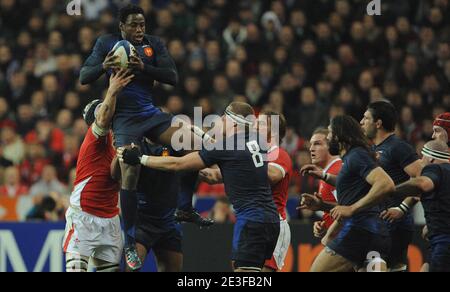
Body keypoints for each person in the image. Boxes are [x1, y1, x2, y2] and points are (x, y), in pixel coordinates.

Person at [79, 4, 207, 269]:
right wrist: (105, 65)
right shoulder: (106, 43)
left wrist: (143, 67)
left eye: (142, 24)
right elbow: (84, 76)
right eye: (134, 25)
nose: (139, 29)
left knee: (193, 144)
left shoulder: (154, 44)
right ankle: (129, 239)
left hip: (149, 114)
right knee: (130, 167)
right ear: (122, 26)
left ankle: (184, 206)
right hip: (124, 119)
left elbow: (172, 77)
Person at [118, 102, 280, 272]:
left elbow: (178, 164)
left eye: (225, 117)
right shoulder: (257, 141)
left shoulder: (225, 147)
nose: (221, 119)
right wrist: (200, 136)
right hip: (271, 219)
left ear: (234, 123)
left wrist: (140, 158)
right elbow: (219, 168)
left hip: (251, 220)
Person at [199, 110, 293, 272]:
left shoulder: (279, 154)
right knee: (241, 269)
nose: (255, 126)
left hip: (272, 222)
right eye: (255, 122)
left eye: (261, 124)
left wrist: (237, 154)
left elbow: (273, 175)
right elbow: (214, 176)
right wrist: (188, 163)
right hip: (251, 219)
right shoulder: (252, 154)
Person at [62, 69, 134, 272]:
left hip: (110, 218)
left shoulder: (118, 142)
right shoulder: (93, 138)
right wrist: (112, 90)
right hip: (83, 215)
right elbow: (102, 119)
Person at [302, 115, 394, 272]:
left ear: (339, 135)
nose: (328, 137)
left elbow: (386, 184)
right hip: (376, 233)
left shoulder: (356, 155)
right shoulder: (353, 157)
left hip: (359, 231)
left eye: (330, 133)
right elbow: (353, 188)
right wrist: (323, 189)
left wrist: (352, 209)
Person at [361, 101, 423, 272]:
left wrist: (402, 208)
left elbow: (423, 179)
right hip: (382, 220)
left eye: (366, 118)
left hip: (392, 221)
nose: (361, 122)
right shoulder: (373, 148)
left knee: (370, 266)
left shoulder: (398, 147)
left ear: (378, 123)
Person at [112, 141, 183, 272]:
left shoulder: (174, 138)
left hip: (168, 219)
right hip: (142, 218)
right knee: (130, 269)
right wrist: (120, 154)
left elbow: (186, 162)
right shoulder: (134, 139)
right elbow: (115, 175)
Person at [385, 140, 450, 272]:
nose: (420, 161)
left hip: (443, 239)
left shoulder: (434, 169)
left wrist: (389, 190)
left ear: (430, 158)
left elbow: (423, 184)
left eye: (422, 156)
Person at [298, 128, 342, 239]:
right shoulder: (327, 172)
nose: (311, 148)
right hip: (339, 237)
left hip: (345, 239)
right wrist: (325, 224)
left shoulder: (336, 170)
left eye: (317, 144)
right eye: (311, 144)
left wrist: (321, 205)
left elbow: (349, 208)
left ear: (330, 146)